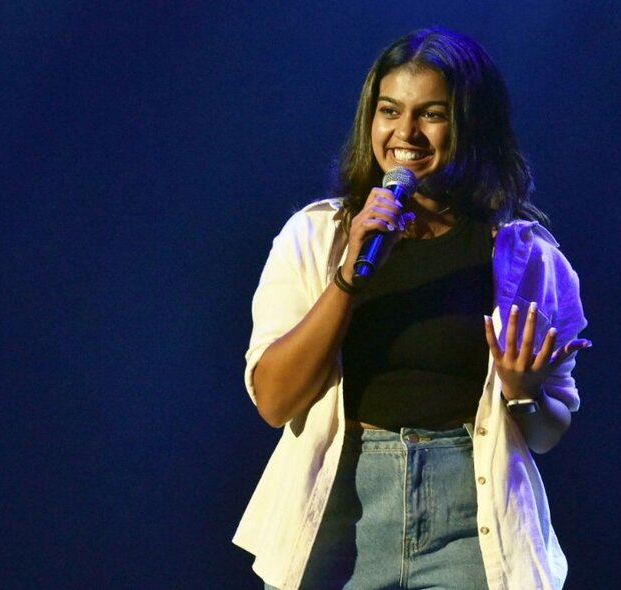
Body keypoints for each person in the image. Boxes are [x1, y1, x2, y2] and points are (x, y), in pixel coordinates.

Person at [233, 27, 591, 590]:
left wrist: (523, 391)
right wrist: (348, 277)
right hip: (341, 512)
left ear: (471, 123)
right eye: (389, 111)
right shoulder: (315, 238)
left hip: (471, 517)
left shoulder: (524, 258)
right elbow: (275, 403)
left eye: (431, 114)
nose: (405, 133)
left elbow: (547, 432)